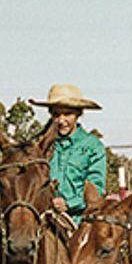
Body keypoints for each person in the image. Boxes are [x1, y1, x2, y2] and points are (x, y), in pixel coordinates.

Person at [36, 85, 108, 214]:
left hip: (81, 220)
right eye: (56, 115)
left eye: (67, 114)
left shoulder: (93, 146)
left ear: (78, 114)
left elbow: (96, 189)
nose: (61, 120)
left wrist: (69, 204)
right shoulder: (40, 146)